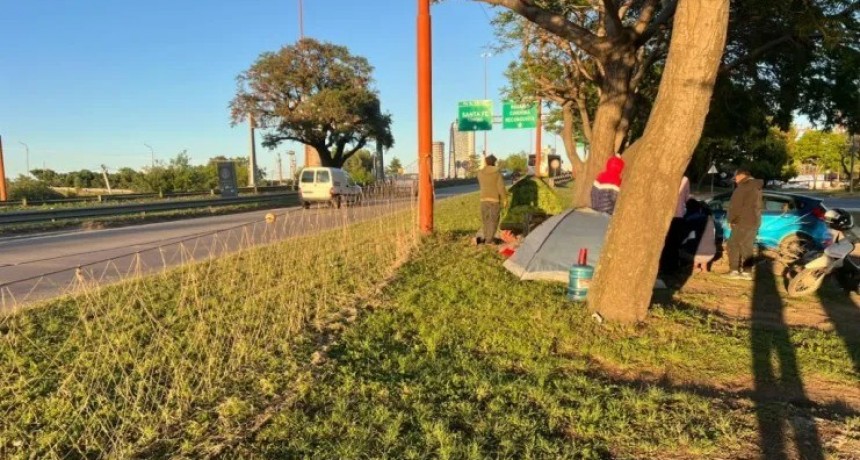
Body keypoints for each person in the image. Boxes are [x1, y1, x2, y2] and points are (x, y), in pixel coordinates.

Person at [726, 167, 763, 279]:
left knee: (733, 244)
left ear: (741, 175)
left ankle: (734, 271)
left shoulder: (744, 187)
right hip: (754, 220)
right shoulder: (756, 186)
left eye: (736, 178)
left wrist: (731, 220)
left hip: (742, 221)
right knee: (747, 246)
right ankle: (747, 272)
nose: (735, 181)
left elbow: (735, 206)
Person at [660, 176, 692, 273]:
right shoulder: (685, 179)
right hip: (679, 215)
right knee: (674, 243)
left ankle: (664, 265)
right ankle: (672, 266)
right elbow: (687, 198)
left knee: (665, 242)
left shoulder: (666, 177)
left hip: (666, 215)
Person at [476, 155, 507, 245]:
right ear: (494, 162)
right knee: (494, 219)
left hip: (483, 198)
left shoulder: (480, 173)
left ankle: (486, 237)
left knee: (486, 219)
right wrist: (505, 199)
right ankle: (489, 240)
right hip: (494, 199)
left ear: (486, 162)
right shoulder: (497, 172)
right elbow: (501, 187)